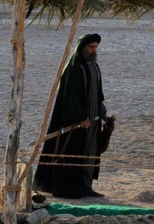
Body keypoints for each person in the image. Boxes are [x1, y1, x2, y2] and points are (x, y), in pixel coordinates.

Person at [33, 33, 108, 198]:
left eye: (95, 47)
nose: (94, 50)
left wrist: (103, 114)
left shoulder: (94, 67)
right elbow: (70, 98)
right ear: (82, 48)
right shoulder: (74, 68)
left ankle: (86, 187)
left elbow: (98, 94)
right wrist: (80, 118)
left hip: (92, 122)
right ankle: (69, 189)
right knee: (72, 154)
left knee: (90, 153)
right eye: (90, 47)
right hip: (75, 123)